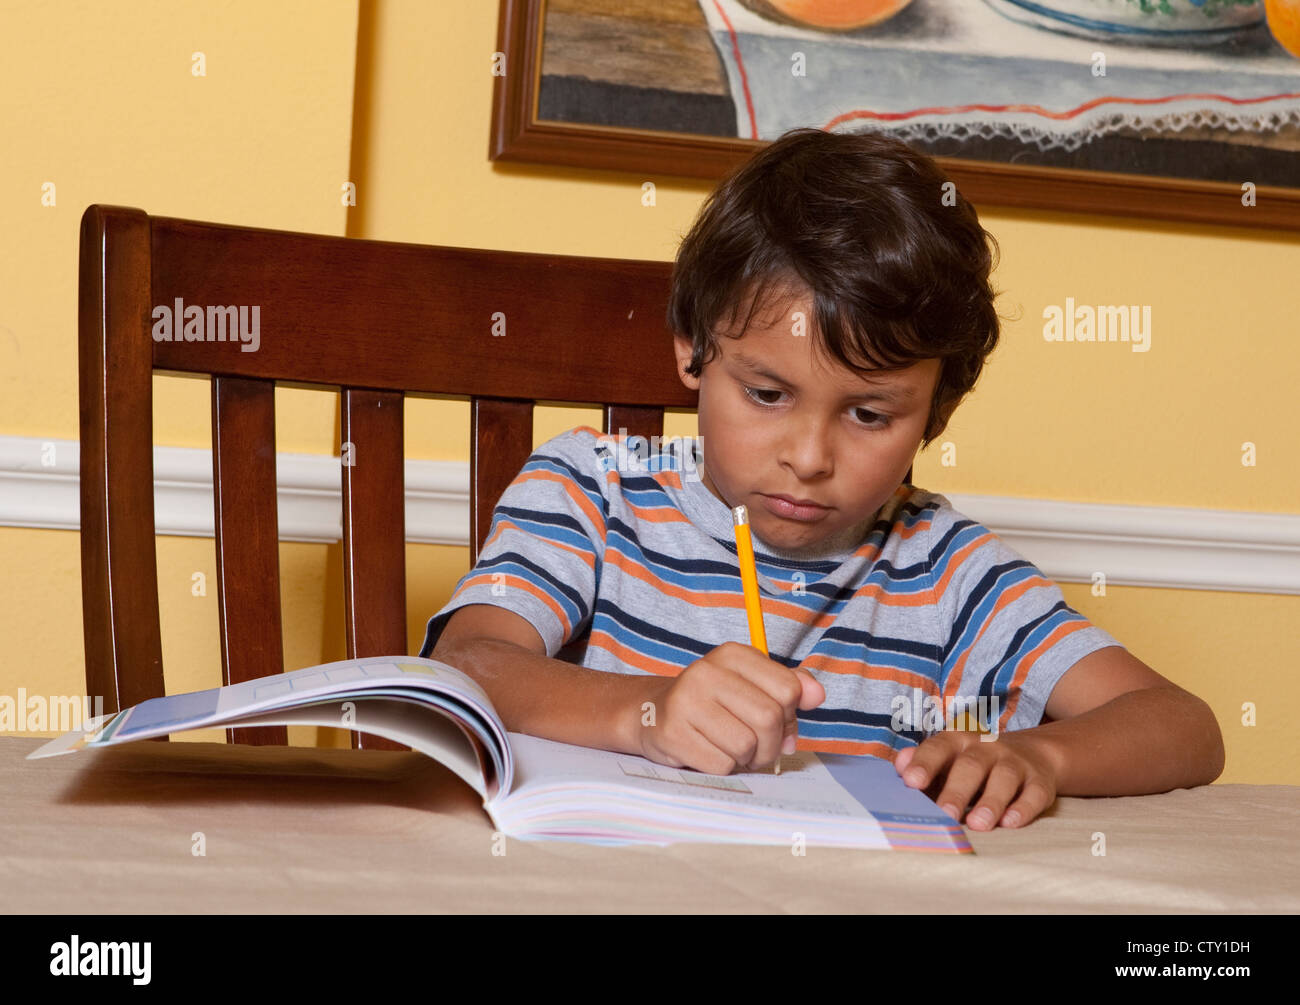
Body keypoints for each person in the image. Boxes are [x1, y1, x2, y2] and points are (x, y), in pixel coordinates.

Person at [418, 127, 1223, 830]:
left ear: (936, 414)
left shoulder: (948, 570)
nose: (808, 456)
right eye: (767, 395)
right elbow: (469, 662)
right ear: (693, 348)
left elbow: (1184, 725)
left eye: (870, 415)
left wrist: (1037, 756)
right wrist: (643, 710)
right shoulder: (594, 488)